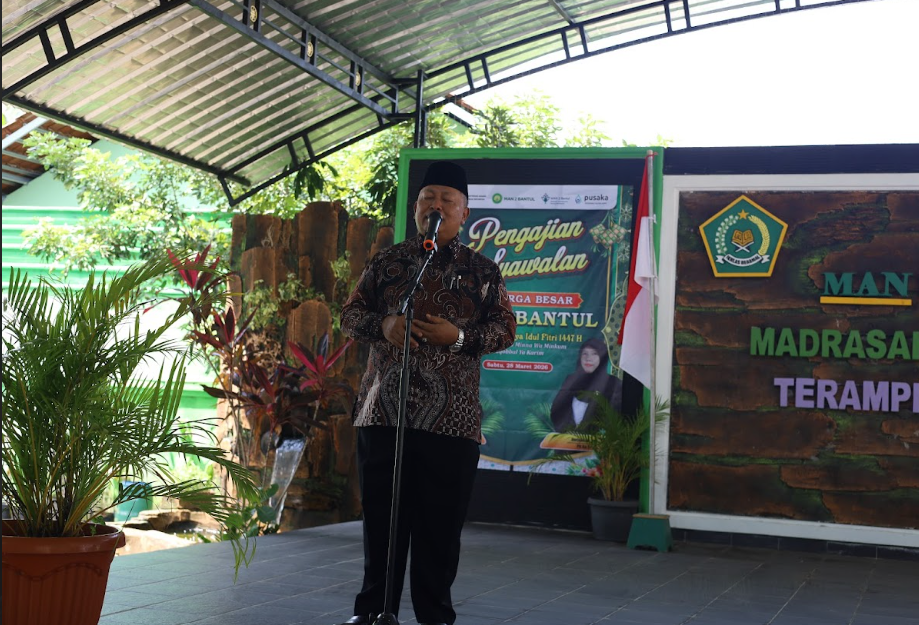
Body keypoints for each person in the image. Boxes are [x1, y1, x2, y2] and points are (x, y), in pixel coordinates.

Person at [337, 161, 516, 625]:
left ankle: (434, 617)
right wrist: (385, 324)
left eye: (446, 200)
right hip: (384, 413)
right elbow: (349, 315)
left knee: (439, 529)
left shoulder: (482, 271)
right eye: (427, 198)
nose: (435, 206)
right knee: (382, 522)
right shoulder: (388, 262)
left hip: (451, 421)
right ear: (417, 208)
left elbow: (505, 330)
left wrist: (458, 337)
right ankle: (374, 612)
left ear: (464, 213)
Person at [550, 337, 623, 432]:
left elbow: (616, 416)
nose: (588, 359)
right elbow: (557, 411)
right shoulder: (571, 380)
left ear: (602, 358)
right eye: (585, 354)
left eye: (594, 354)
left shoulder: (612, 383)